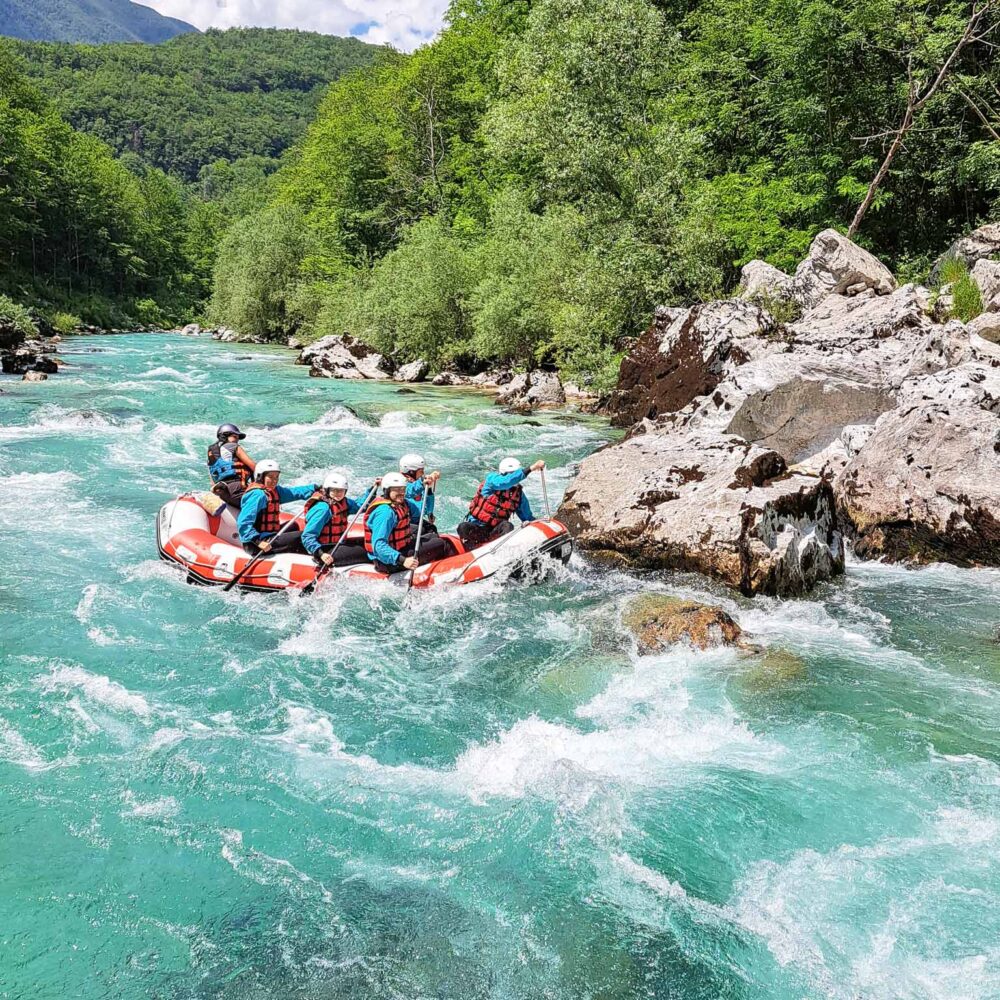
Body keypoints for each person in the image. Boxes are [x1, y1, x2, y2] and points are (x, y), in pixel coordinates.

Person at [364, 472, 451, 575]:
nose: (401, 492)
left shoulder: (402, 503)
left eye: (403, 489)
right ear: (387, 490)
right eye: (397, 489)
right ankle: (447, 571)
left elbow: (424, 510)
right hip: (388, 562)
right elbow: (379, 546)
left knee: (433, 536)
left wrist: (428, 491)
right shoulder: (385, 512)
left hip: (400, 549)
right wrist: (404, 560)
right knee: (442, 544)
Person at [458, 457, 546, 548]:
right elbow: (505, 482)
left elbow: (528, 518)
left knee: (507, 526)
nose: (516, 478)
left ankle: (501, 551)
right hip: (477, 528)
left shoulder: (518, 495)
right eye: (512, 474)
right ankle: (470, 550)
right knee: (463, 527)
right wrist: (532, 467)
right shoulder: (492, 480)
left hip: (495, 532)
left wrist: (540, 525)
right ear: (503, 473)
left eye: (516, 473)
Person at [237, 459, 317, 555]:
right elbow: (243, 522)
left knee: (294, 525)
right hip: (257, 543)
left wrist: (314, 488)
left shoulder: (274, 491)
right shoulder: (257, 495)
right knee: (301, 536)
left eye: (276, 477)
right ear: (260, 477)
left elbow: (294, 493)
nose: (274, 480)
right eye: (270, 477)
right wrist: (258, 541)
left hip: (269, 535)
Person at [300, 472, 375, 568]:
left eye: (341, 491)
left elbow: (360, 506)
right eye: (334, 490)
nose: (338, 493)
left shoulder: (344, 502)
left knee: (369, 543)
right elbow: (307, 536)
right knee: (368, 551)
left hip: (337, 545)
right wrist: (321, 554)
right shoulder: (323, 509)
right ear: (327, 490)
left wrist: (372, 490)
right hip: (324, 551)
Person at [207, 423, 256, 505]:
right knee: (265, 500)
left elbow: (212, 481)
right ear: (224, 436)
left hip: (221, 491)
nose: (237, 440)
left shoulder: (211, 455)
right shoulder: (233, 446)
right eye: (234, 437)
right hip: (237, 488)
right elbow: (254, 467)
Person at [399, 452, 440, 530]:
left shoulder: (418, 484)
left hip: (416, 520)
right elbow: (409, 491)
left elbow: (427, 503)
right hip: (406, 523)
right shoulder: (400, 485)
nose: (423, 473)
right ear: (411, 472)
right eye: (421, 471)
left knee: (432, 528)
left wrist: (430, 513)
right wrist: (422, 481)